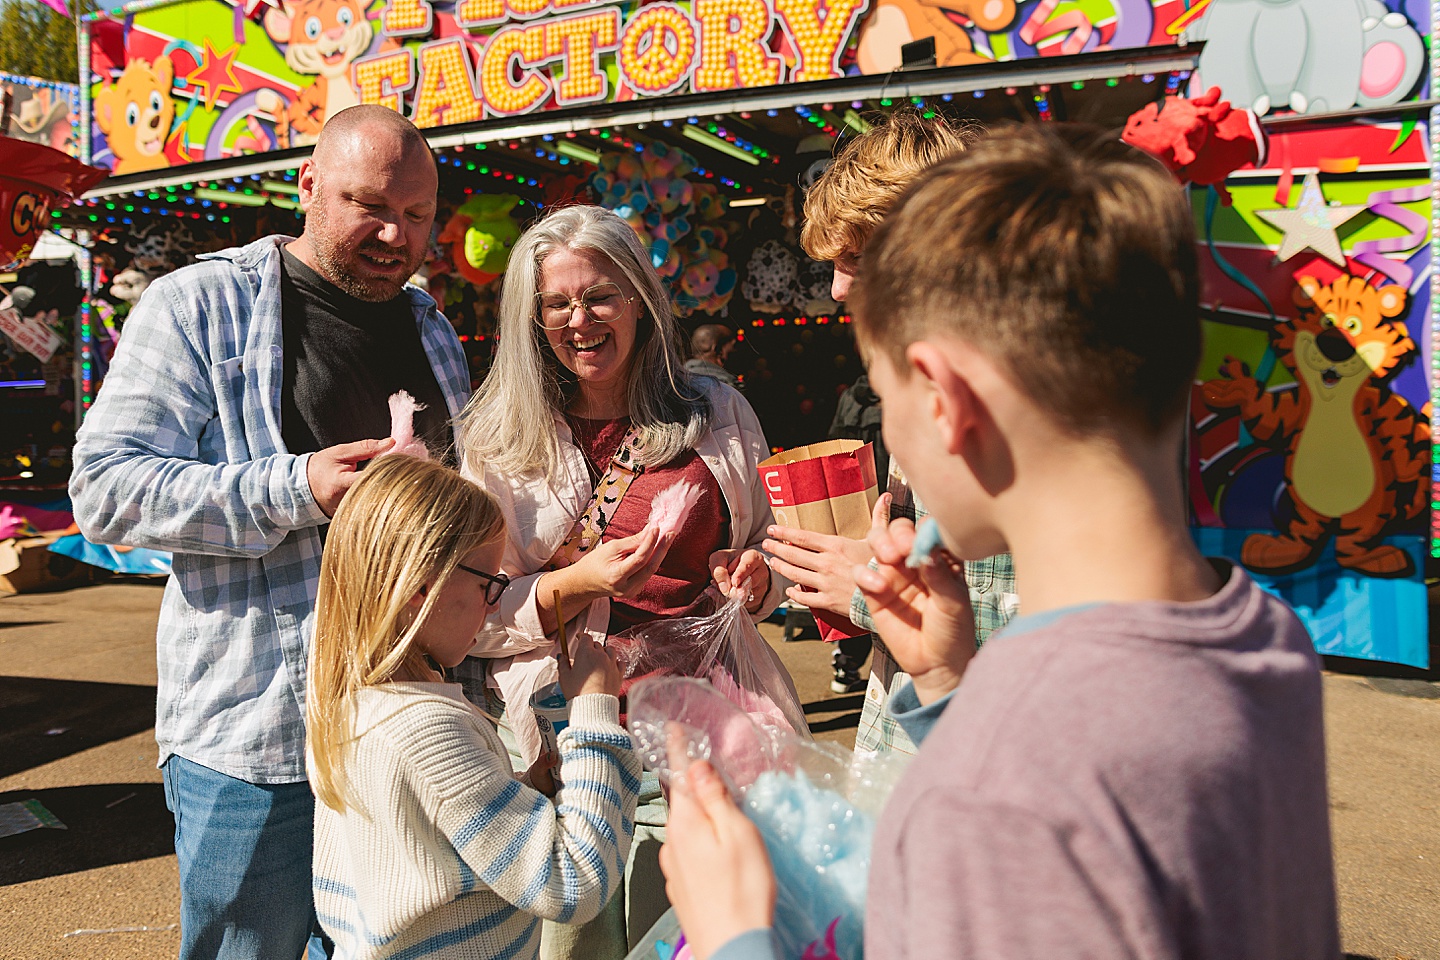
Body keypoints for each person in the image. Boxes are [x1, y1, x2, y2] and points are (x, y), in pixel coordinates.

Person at [661, 124, 1339, 960]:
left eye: (883, 385)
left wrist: (736, 934)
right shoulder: (1265, 641)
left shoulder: (1000, 781)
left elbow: (1022, 809)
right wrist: (949, 687)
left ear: (945, 400)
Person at [69, 105, 469, 960]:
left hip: (404, 725)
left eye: (416, 214)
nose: (394, 234)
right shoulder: (196, 305)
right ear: (308, 184)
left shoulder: (429, 326)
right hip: (258, 741)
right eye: (369, 205)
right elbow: (102, 491)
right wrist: (298, 486)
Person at [453, 204, 788, 958]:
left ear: (640, 297)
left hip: (705, 724)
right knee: (575, 947)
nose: (580, 318)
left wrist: (760, 574)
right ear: (532, 317)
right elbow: (463, 613)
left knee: (692, 932)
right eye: (557, 303)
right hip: (558, 740)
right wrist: (572, 586)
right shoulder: (495, 437)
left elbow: (773, 538)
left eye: (600, 295)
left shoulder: (718, 411)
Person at [306, 454, 640, 960]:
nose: (492, 605)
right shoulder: (426, 729)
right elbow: (574, 882)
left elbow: (433, 841)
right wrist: (594, 709)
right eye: (489, 585)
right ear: (422, 587)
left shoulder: (352, 707)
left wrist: (527, 793)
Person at [765, 110, 1018, 718]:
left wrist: (867, 590)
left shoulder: (1014, 409)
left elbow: (1035, 638)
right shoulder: (927, 390)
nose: (838, 289)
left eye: (855, 257)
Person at [684, 323, 741, 391]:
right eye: (734, 346)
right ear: (718, 349)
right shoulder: (728, 385)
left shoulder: (679, 380)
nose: (736, 351)